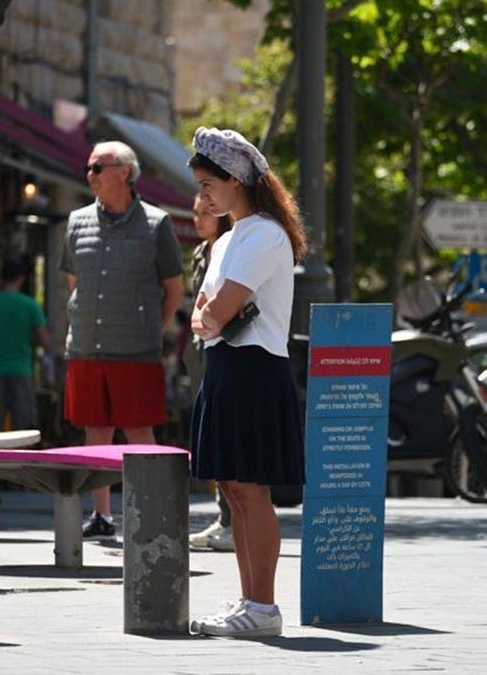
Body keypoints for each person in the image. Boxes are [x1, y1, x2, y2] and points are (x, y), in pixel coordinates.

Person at [187, 127, 306, 637]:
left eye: (210, 182)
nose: (203, 194)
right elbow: (201, 315)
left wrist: (209, 317)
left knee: (252, 491)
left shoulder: (265, 233)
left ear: (237, 179)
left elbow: (219, 311)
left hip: (255, 367)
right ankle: (249, 603)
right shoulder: (228, 238)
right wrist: (209, 318)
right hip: (226, 366)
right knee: (234, 490)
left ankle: (264, 607)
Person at [61, 140, 184, 538]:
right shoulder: (77, 221)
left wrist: (152, 327)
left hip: (136, 348)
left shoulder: (156, 223)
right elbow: (73, 281)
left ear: (125, 172)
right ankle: (102, 516)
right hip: (86, 346)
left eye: (98, 166)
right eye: (89, 167)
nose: (90, 173)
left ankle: (147, 513)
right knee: (94, 430)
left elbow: (174, 288)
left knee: (138, 430)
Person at [183, 195, 235, 552]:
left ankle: (232, 521)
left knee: (228, 441)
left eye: (206, 213)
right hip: (202, 352)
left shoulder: (234, 251)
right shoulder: (203, 252)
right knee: (212, 441)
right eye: (196, 213)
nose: (199, 219)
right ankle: (224, 518)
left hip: (224, 352)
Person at [0, 257, 51, 431]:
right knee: (23, 427)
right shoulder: (30, 306)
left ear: (1, 277)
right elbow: (45, 341)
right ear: (21, 278)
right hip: (21, 370)